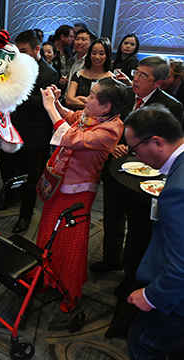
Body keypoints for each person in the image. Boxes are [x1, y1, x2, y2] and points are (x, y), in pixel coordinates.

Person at [37, 77, 127, 304]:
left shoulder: (112, 128)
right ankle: (47, 277)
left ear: (106, 106)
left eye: (93, 96)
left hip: (78, 190)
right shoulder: (93, 116)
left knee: (69, 239)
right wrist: (57, 104)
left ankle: (68, 289)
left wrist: (49, 109)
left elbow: (72, 139)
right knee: (49, 232)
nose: (86, 99)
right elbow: (71, 117)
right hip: (59, 181)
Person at [93, 56, 183, 274]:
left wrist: (133, 150)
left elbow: (166, 143)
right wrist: (113, 146)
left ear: (158, 83)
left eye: (144, 75)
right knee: (112, 217)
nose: (136, 79)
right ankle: (112, 260)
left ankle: (132, 275)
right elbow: (106, 123)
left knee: (137, 227)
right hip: (114, 167)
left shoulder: (171, 106)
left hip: (144, 177)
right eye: (136, 72)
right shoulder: (123, 95)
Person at [124, 105, 184, 359]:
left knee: (143, 343)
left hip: (176, 300)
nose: (136, 158)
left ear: (157, 142)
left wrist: (151, 296)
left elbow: (181, 264)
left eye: (135, 149)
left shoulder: (177, 191)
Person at [0, 30, 59, 233]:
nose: (19, 55)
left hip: (34, 134)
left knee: (30, 177)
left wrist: (15, 92)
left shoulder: (49, 73)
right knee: (5, 167)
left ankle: (25, 214)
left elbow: (43, 102)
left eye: (23, 51)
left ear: (37, 49)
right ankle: (10, 196)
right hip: (10, 130)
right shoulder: (13, 68)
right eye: (17, 50)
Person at [66, 37, 113, 110]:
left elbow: (111, 105)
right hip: (78, 117)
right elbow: (69, 100)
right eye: (94, 53)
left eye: (101, 54)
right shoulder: (78, 75)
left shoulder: (112, 79)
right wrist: (97, 105)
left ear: (107, 55)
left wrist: (83, 100)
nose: (97, 57)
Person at [65, 28, 97, 97]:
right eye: (77, 39)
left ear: (91, 43)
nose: (79, 42)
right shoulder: (71, 60)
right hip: (66, 100)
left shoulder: (93, 63)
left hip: (81, 101)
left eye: (83, 39)